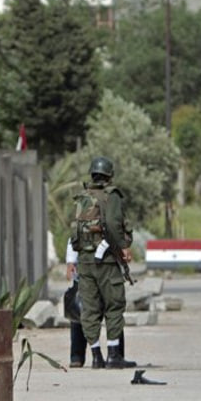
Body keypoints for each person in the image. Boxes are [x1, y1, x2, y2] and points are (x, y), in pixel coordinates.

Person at [71, 156, 136, 369]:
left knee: (89, 309)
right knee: (114, 305)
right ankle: (114, 355)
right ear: (109, 175)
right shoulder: (112, 196)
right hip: (106, 261)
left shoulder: (82, 196)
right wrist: (123, 247)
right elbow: (113, 224)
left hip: (84, 261)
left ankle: (96, 356)